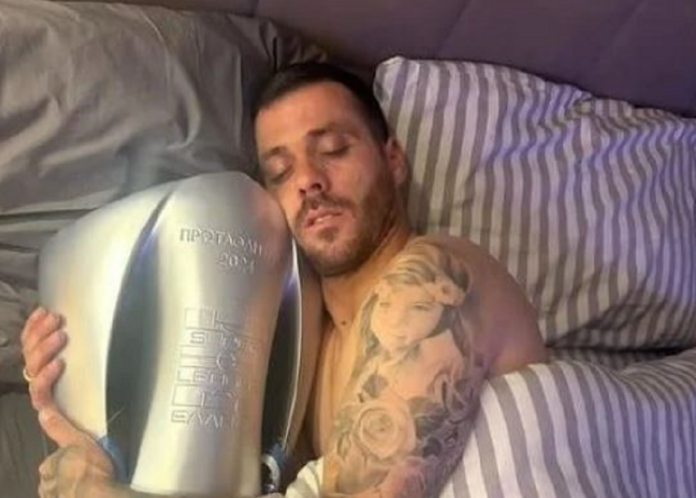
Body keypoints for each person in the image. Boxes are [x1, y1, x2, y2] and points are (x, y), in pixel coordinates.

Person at [20, 62, 547, 498]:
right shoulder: (302, 360)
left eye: (333, 149)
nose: (309, 181)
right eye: (280, 172)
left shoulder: (436, 277)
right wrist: (70, 381)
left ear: (393, 160)